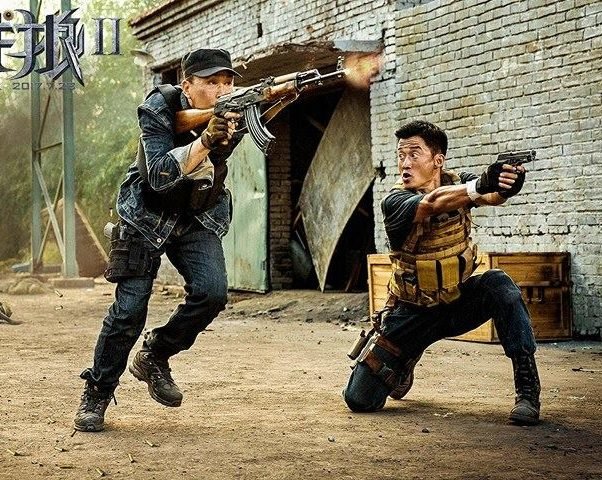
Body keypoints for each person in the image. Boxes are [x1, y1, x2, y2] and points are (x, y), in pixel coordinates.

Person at [74, 48, 245, 432]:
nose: (222, 90)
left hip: (197, 215)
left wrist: (279, 98)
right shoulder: (158, 109)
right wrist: (205, 140)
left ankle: (155, 354)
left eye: (228, 82)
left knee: (212, 292)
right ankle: (98, 391)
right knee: (129, 310)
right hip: (146, 217)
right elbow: (159, 175)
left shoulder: (233, 109)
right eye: (211, 82)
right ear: (187, 86)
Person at [343, 120, 541, 425]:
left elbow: (490, 196)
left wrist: (507, 186)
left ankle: (527, 391)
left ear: (438, 160)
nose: (404, 164)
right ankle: (405, 360)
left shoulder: (460, 182)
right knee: (359, 399)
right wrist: (481, 185)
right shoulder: (394, 201)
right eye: (401, 156)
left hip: (456, 302)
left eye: (414, 155)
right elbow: (434, 202)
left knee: (499, 285)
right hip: (411, 313)